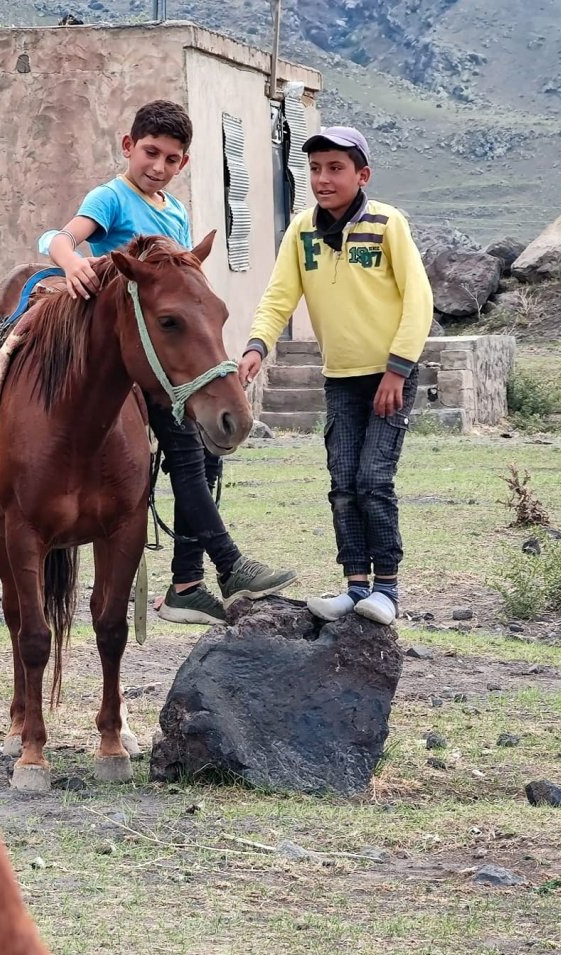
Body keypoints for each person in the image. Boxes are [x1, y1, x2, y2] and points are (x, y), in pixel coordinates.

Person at [38, 99, 296, 625]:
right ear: (128, 147)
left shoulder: (174, 213)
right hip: (120, 358)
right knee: (185, 445)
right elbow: (59, 237)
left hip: (160, 352)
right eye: (150, 153)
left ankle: (187, 581)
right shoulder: (111, 197)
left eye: (172, 159)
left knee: (203, 454)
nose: (158, 166)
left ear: (183, 163)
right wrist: (73, 263)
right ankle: (228, 564)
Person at [238, 126, 433, 626]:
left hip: (389, 377)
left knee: (373, 480)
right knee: (343, 483)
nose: (323, 179)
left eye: (336, 168)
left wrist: (398, 369)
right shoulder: (301, 231)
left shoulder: (388, 225)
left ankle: (387, 589)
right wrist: (258, 345)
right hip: (341, 379)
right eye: (316, 169)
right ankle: (354, 587)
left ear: (362, 175)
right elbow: (279, 295)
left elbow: (419, 300)